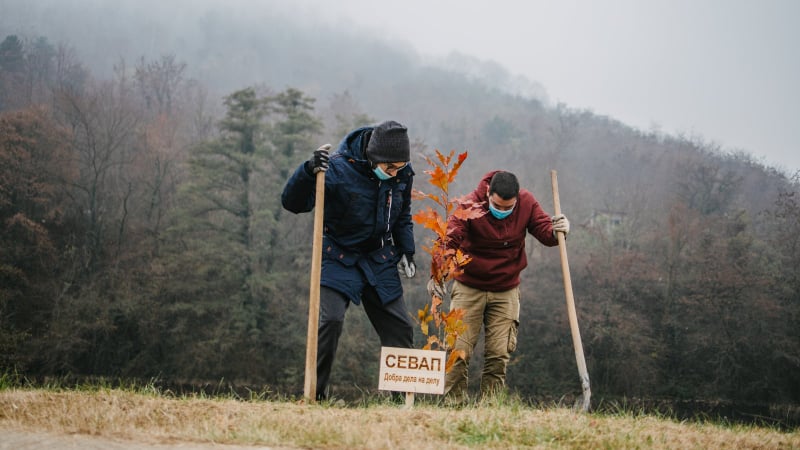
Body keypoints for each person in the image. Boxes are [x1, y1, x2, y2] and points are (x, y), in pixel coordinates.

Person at [281, 120, 417, 400]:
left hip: (379, 258)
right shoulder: (337, 169)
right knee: (330, 320)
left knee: (400, 326)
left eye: (399, 169)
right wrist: (308, 171)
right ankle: (315, 395)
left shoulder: (402, 172)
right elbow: (293, 203)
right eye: (389, 169)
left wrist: (407, 249)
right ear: (373, 157)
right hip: (338, 255)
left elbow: (403, 213)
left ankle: (402, 400)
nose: (395, 174)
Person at [427, 170, 570, 403]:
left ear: (517, 199)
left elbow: (546, 233)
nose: (502, 211)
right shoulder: (469, 205)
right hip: (468, 287)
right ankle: (452, 404)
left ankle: (489, 406)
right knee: (458, 350)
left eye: (508, 207)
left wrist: (559, 230)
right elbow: (448, 241)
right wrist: (438, 274)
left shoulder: (527, 203)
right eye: (497, 206)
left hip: (506, 289)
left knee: (498, 353)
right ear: (487, 194)